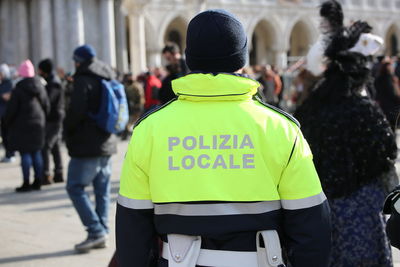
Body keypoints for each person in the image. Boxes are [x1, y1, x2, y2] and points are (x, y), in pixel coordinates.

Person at [116, 9, 331, 267]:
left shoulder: (149, 129)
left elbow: (132, 231)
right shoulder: (280, 128)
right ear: (241, 58)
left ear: (190, 58)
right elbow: (311, 226)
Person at [294, 1, 397, 266]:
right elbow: (387, 153)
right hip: (362, 210)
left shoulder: (309, 110)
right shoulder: (363, 110)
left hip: (319, 210)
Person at [64, 45, 117, 253]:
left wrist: (67, 130)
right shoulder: (106, 76)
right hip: (107, 142)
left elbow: (76, 113)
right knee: (101, 190)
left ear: (78, 61)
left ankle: (96, 231)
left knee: (74, 187)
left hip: (87, 145)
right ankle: (102, 231)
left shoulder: (83, 80)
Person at [4, 60, 49, 192]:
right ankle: (38, 180)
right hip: (38, 124)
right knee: (36, 152)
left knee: (26, 154)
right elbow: (46, 105)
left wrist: (8, 122)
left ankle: (26, 182)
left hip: (22, 125)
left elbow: (12, 109)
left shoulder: (18, 88)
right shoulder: (40, 86)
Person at [38, 59, 65, 184]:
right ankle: (58, 173)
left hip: (54, 119)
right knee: (55, 147)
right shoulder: (50, 81)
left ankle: (46, 175)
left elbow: (49, 100)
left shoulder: (54, 83)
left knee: (46, 146)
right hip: (53, 118)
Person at [374, 59, 400, 131]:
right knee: (392, 127)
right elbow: (393, 93)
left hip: (382, 105)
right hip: (391, 106)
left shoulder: (378, 78)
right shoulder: (390, 79)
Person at [0, 63, 16, 163]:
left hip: (8, 114)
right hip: (2, 114)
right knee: (4, 135)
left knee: (9, 135)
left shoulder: (9, 83)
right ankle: (7, 154)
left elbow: (8, 96)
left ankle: (11, 154)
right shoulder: (2, 83)